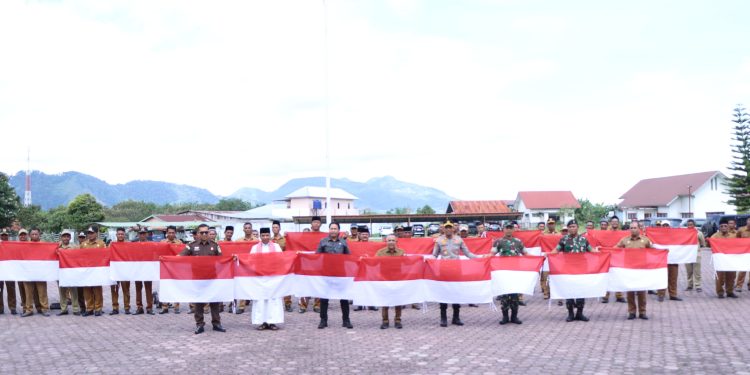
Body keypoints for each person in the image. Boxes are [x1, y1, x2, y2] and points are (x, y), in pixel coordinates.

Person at [179, 224, 225, 334]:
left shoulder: (215, 245)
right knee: (198, 302)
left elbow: (223, 260)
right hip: (198, 279)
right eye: (202, 232)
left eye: (206, 232)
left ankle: (216, 323)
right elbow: (180, 257)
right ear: (198, 234)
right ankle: (199, 324)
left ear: (209, 233)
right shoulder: (191, 246)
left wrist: (232, 259)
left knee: (214, 301)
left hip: (212, 278)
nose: (204, 234)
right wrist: (166, 259)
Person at [550, 220, 599, 322]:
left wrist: (601, 252)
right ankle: (570, 314)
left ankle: (580, 313)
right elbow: (556, 250)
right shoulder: (564, 240)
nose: (572, 228)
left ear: (577, 228)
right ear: (568, 228)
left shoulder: (583, 239)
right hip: (568, 270)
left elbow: (591, 250)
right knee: (570, 291)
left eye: (574, 226)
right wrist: (548, 254)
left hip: (581, 270)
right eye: (570, 226)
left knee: (581, 291)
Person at [432, 221, 477, 327]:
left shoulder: (459, 239)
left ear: (453, 229)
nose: (448, 229)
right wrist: (428, 261)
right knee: (443, 294)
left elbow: (468, 253)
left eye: (450, 228)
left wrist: (480, 258)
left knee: (456, 293)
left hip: (456, 269)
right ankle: (443, 318)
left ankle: (456, 317)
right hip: (444, 270)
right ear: (443, 229)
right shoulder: (439, 240)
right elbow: (434, 255)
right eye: (446, 228)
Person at [316, 222, 352, 329]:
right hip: (326, 274)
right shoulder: (323, 242)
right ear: (329, 230)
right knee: (324, 298)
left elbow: (349, 258)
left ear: (338, 230)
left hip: (341, 274)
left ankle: (346, 320)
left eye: (335, 229)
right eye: (331, 228)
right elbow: (317, 256)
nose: (333, 230)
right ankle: (323, 320)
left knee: (344, 298)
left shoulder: (344, 242)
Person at [490, 223, 526, 325]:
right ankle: (505, 317)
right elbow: (492, 253)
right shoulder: (498, 242)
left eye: (511, 228)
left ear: (513, 230)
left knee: (515, 295)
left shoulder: (518, 242)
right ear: (503, 229)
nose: (509, 230)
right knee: (505, 295)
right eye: (507, 228)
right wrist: (484, 257)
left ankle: (514, 317)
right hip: (503, 272)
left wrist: (539, 258)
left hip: (515, 272)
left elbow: (526, 253)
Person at [250, 228, 284, 331]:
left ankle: (272, 322)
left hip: (272, 278)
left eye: (267, 235)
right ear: (260, 236)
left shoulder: (276, 247)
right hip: (260, 278)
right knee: (261, 300)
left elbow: (281, 259)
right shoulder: (255, 248)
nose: (265, 237)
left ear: (270, 236)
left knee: (273, 300)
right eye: (263, 235)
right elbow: (250, 261)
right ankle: (263, 322)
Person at [615, 224, 652, 320]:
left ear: (638, 229)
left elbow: (652, 251)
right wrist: (603, 250)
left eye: (635, 228)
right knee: (630, 291)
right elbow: (615, 249)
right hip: (629, 269)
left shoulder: (645, 240)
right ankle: (631, 312)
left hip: (641, 269)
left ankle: (642, 312)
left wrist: (663, 252)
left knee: (641, 291)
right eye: (631, 228)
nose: (633, 229)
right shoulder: (624, 240)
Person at [375, 235, 405, 329]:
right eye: (389, 240)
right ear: (386, 241)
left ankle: (398, 320)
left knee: (398, 301)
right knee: (385, 301)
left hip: (397, 280)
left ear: (396, 242)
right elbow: (373, 262)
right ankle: (385, 321)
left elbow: (406, 264)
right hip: (385, 280)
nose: (391, 242)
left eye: (393, 240)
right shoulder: (380, 252)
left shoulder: (402, 252)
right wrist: (364, 260)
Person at [21, 228, 50, 317]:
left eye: (36, 234)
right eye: (32, 234)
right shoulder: (25, 245)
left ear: (39, 234)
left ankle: (44, 309)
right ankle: (29, 309)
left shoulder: (44, 245)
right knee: (28, 293)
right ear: (29, 235)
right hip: (28, 272)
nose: (34, 236)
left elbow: (49, 255)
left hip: (40, 272)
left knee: (42, 292)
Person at [79, 226, 107, 316]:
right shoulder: (83, 244)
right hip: (86, 270)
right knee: (87, 290)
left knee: (97, 290)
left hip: (97, 270)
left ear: (96, 233)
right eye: (89, 233)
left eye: (92, 233)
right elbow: (79, 256)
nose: (90, 235)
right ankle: (89, 308)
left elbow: (105, 256)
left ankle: (98, 308)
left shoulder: (101, 244)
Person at [299, 217, 322, 314]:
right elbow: (297, 244)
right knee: (304, 284)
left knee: (319, 284)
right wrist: (287, 236)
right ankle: (303, 306)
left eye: (318, 222)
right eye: (314, 222)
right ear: (311, 224)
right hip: (306, 264)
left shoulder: (324, 236)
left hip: (319, 263)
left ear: (320, 224)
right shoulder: (305, 236)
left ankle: (317, 305)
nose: (316, 224)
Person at [712, 219, 738, 299]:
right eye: (721, 226)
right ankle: (720, 292)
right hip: (720, 259)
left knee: (731, 276)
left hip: (731, 259)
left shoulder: (734, 236)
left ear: (728, 227)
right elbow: (710, 245)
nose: (723, 227)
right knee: (719, 277)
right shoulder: (715, 236)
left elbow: (738, 245)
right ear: (719, 227)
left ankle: (730, 292)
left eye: (725, 226)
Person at [657, 221, 683, 302]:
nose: (665, 227)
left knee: (673, 278)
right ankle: (661, 294)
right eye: (663, 225)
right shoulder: (657, 236)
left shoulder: (674, 235)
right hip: (662, 260)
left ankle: (673, 294)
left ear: (670, 226)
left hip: (673, 259)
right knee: (661, 277)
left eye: (667, 225)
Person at [159, 225, 182, 314]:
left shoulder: (179, 243)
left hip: (176, 268)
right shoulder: (162, 242)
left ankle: (176, 307)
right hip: (165, 268)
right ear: (166, 233)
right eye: (169, 233)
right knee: (165, 286)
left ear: (175, 233)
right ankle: (165, 307)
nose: (171, 234)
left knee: (177, 286)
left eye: (173, 233)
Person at [603, 216, 626, 304]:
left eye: (616, 221)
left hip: (619, 257)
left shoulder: (622, 233)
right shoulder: (606, 233)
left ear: (618, 223)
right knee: (607, 276)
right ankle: (605, 296)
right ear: (610, 222)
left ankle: (619, 295)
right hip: (608, 257)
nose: (614, 223)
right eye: (613, 221)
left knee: (618, 275)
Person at [56, 231, 80, 316]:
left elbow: (78, 258)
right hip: (61, 272)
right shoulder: (57, 247)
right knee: (62, 292)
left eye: (67, 236)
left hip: (71, 272)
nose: (65, 238)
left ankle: (75, 309)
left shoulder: (75, 247)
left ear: (70, 238)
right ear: (61, 237)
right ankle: (63, 309)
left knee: (73, 292)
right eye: (64, 236)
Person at [133, 227, 155, 315]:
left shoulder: (151, 244)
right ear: (138, 234)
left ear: (146, 234)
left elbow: (154, 255)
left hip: (147, 269)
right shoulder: (134, 245)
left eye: (144, 233)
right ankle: (139, 307)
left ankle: (149, 307)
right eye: (141, 233)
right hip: (138, 269)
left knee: (148, 289)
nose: (142, 235)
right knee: (138, 289)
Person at [110, 227, 131, 315]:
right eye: (119, 234)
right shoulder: (112, 244)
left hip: (125, 271)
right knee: (114, 290)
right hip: (115, 270)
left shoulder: (128, 244)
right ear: (116, 235)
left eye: (122, 234)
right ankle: (115, 307)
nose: (120, 235)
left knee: (126, 290)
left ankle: (127, 307)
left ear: (124, 235)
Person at [539, 219, 559, 301]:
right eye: (549, 224)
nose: (551, 225)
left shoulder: (559, 234)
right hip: (546, 257)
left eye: (552, 224)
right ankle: (546, 293)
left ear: (555, 224)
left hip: (556, 258)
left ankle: (554, 292)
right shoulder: (542, 235)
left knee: (555, 276)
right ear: (547, 225)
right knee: (545, 276)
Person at [685, 219, 706, 293]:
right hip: (687, 254)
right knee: (689, 271)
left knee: (697, 271)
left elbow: (703, 243)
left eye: (691, 224)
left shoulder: (699, 233)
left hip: (696, 254)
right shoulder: (684, 233)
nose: (690, 226)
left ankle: (698, 285)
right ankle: (690, 285)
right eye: (688, 224)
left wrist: (698, 248)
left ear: (694, 225)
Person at [0, 229, 17, 315]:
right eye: (2, 235)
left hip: (10, 270)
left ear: (8, 236)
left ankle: (13, 307)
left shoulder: (12, 245)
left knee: (11, 289)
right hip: (0, 271)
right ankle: (0, 308)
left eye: (5, 235)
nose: (4, 237)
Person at [734, 221, 750, 292]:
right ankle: (739, 285)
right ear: (747, 222)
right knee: (742, 270)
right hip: (744, 252)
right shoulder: (741, 230)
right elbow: (737, 239)